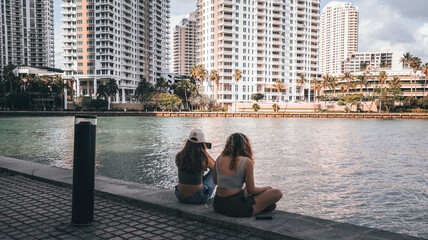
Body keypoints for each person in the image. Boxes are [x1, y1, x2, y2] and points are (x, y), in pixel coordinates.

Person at [213, 133, 283, 217]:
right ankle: (260, 207)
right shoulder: (246, 162)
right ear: (245, 146)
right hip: (235, 207)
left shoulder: (219, 158)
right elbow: (252, 190)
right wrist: (267, 188)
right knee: (277, 193)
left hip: (217, 204)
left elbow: (216, 181)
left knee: (245, 190)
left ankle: (262, 206)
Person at [175, 129, 216, 204]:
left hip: (179, 195)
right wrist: (206, 153)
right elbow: (216, 167)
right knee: (214, 171)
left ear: (188, 142)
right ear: (202, 143)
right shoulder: (203, 158)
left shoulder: (179, 155)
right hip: (197, 198)